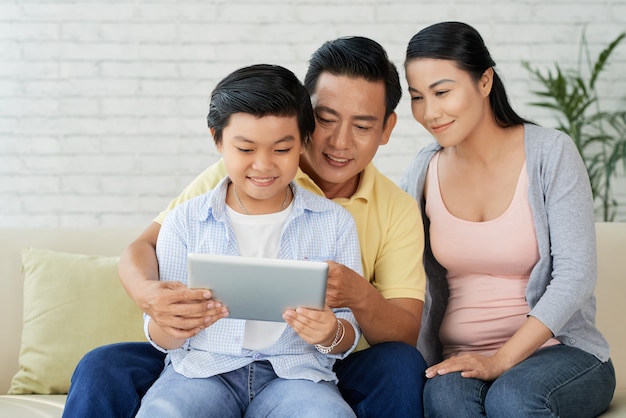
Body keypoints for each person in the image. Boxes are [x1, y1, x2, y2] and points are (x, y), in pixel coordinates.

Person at [64, 36, 427, 418]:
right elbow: (145, 247)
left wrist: (355, 296)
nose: (339, 141)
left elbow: (400, 334)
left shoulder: (371, 214)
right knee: (102, 367)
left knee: (397, 366)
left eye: (362, 126)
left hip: (308, 365)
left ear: (387, 129)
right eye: (326, 119)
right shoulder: (230, 177)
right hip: (206, 358)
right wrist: (150, 298)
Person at [400, 21, 616, 417]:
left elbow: (576, 274)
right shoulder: (422, 171)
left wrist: (500, 360)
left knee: (513, 400)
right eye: (417, 97)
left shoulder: (550, 153)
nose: (429, 112)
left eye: (442, 92)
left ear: (484, 81)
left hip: (560, 354)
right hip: (460, 356)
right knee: (445, 402)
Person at [134, 63, 361, 417]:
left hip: (296, 375)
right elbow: (163, 337)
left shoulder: (334, 223)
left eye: (281, 150)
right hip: (203, 370)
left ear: (303, 142)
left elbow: (347, 335)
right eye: (245, 149)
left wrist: (330, 331)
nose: (263, 165)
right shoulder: (185, 221)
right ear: (217, 140)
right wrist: (172, 324)